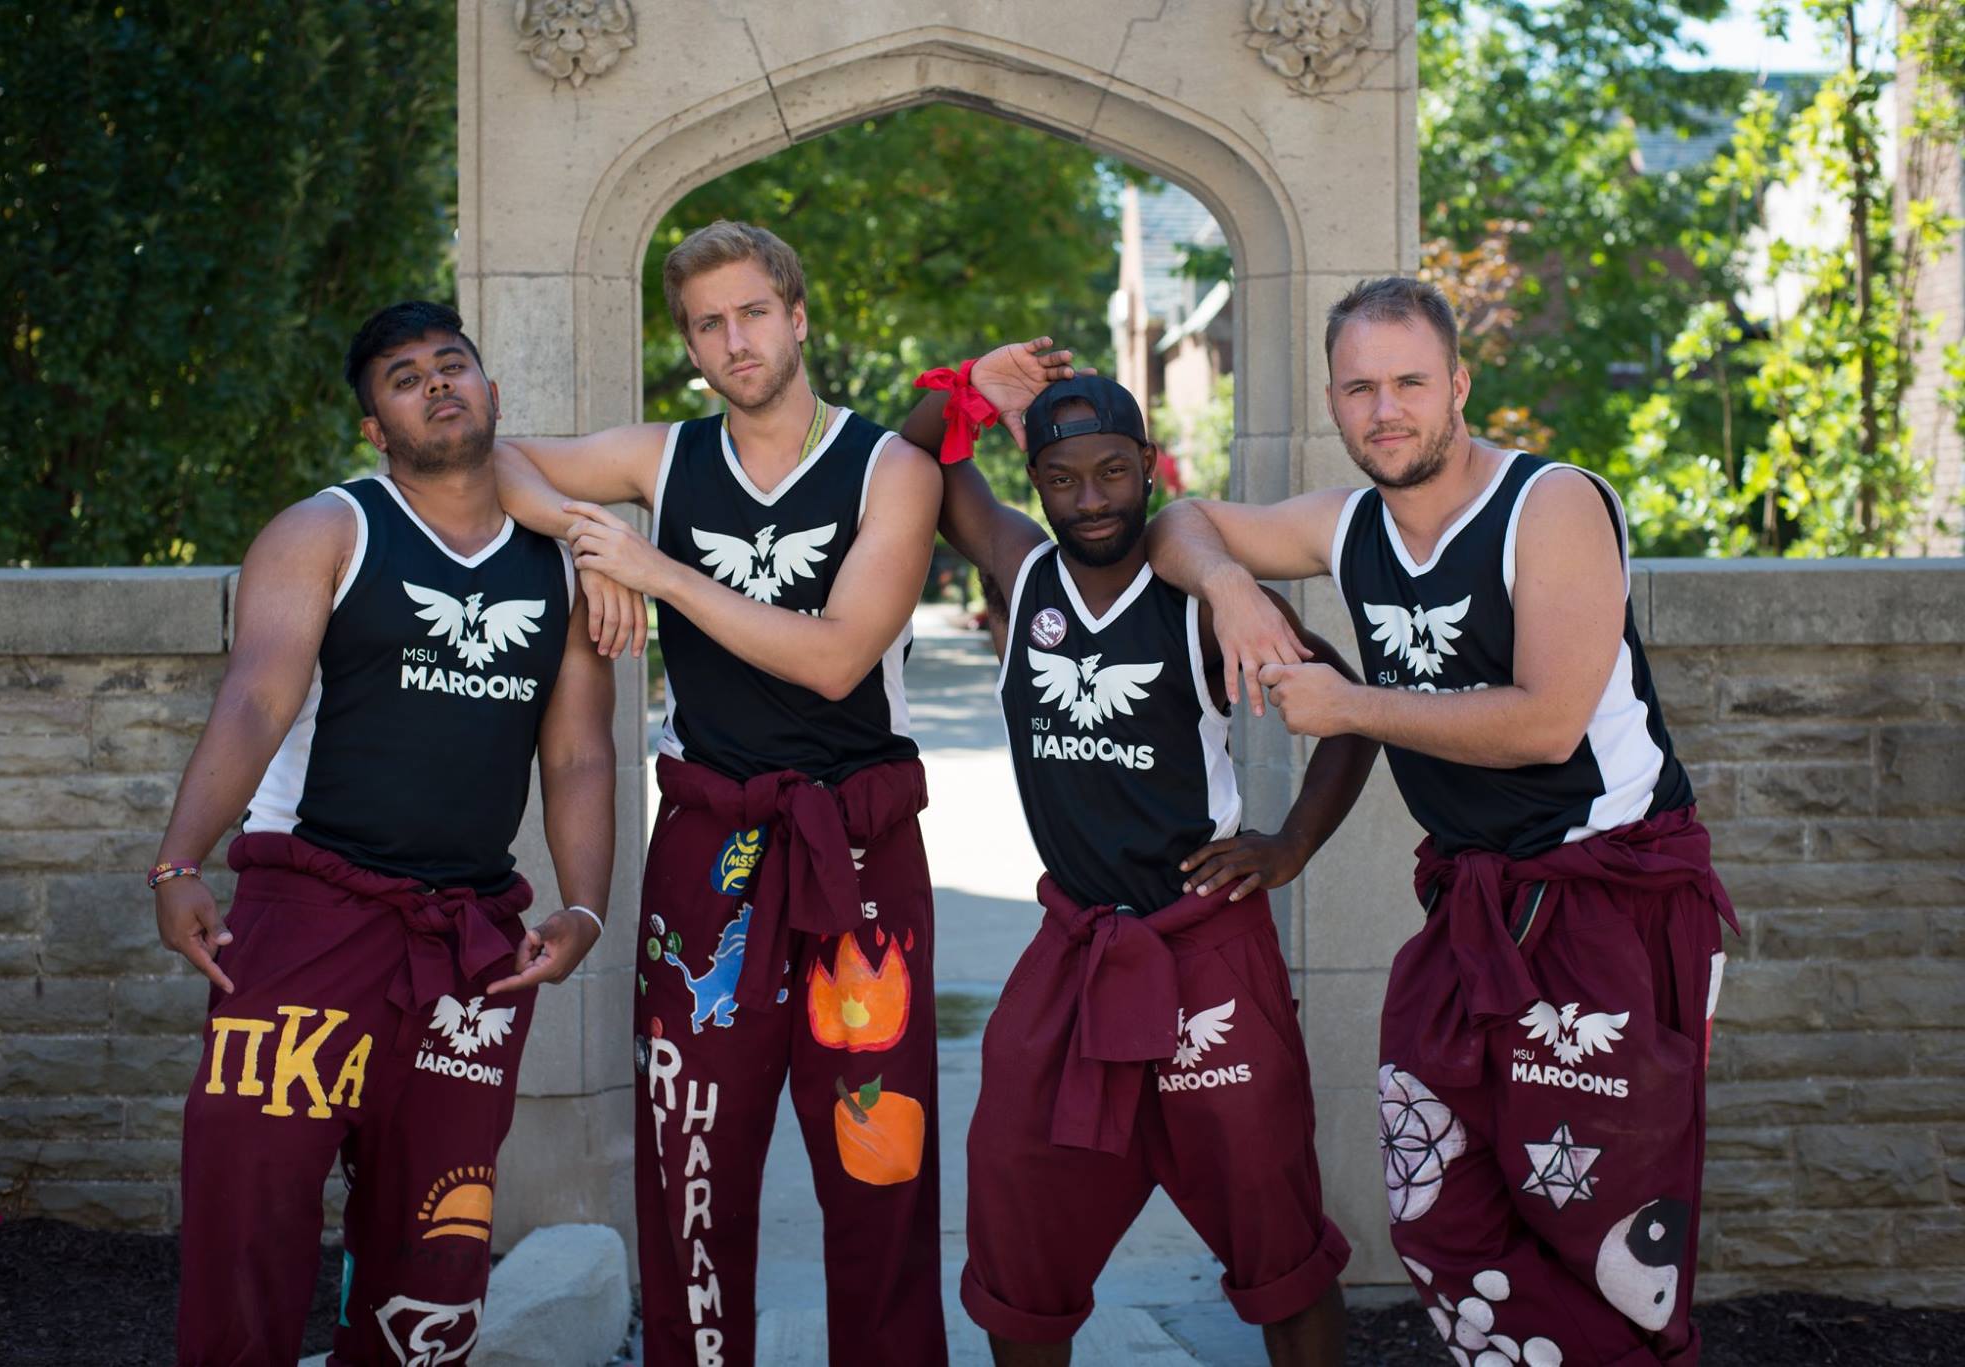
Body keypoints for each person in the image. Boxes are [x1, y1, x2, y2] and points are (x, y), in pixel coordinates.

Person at [491, 220, 1075, 1367]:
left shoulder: (889, 469)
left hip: (856, 842)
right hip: (709, 845)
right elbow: (500, 458)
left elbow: (835, 655)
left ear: (798, 316)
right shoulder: (662, 459)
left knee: (878, 1161)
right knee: (689, 1161)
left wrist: (652, 569)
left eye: (753, 311)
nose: (733, 338)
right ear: (691, 346)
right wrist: (580, 544)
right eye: (708, 323)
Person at [1147, 276, 1737, 1366]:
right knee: (1432, 1208)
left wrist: (1349, 704)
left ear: (1457, 384)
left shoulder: (1547, 502)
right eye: (1360, 386)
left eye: (1410, 381)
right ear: (1331, 399)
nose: (1386, 408)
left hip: (1608, 892)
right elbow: (1173, 520)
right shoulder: (1347, 521)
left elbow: (1548, 722)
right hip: (1472, 901)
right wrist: (1229, 586)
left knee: (1598, 1229)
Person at [153, 301, 617, 1366]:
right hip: (310, 909)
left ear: (491, 391)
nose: (436, 384)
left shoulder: (558, 561)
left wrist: (583, 903)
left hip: (467, 936)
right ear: (376, 425)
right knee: (248, 1201)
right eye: (404, 377)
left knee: (438, 1230)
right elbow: (255, 701)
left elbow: (579, 753)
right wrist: (178, 859)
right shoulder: (328, 529)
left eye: (452, 365)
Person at [907, 373, 1370, 1366]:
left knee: (1275, 1239)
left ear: (1148, 463)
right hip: (1074, 948)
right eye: (1063, 477)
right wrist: (966, 389)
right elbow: (921, 461)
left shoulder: (1199, 604)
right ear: (1031, 481)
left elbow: (1348, 712)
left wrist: (1288, 843)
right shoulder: (1019, 572)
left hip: (1202, 945)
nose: (1091, 498)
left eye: (1113, 471)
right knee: (1015, 1218)